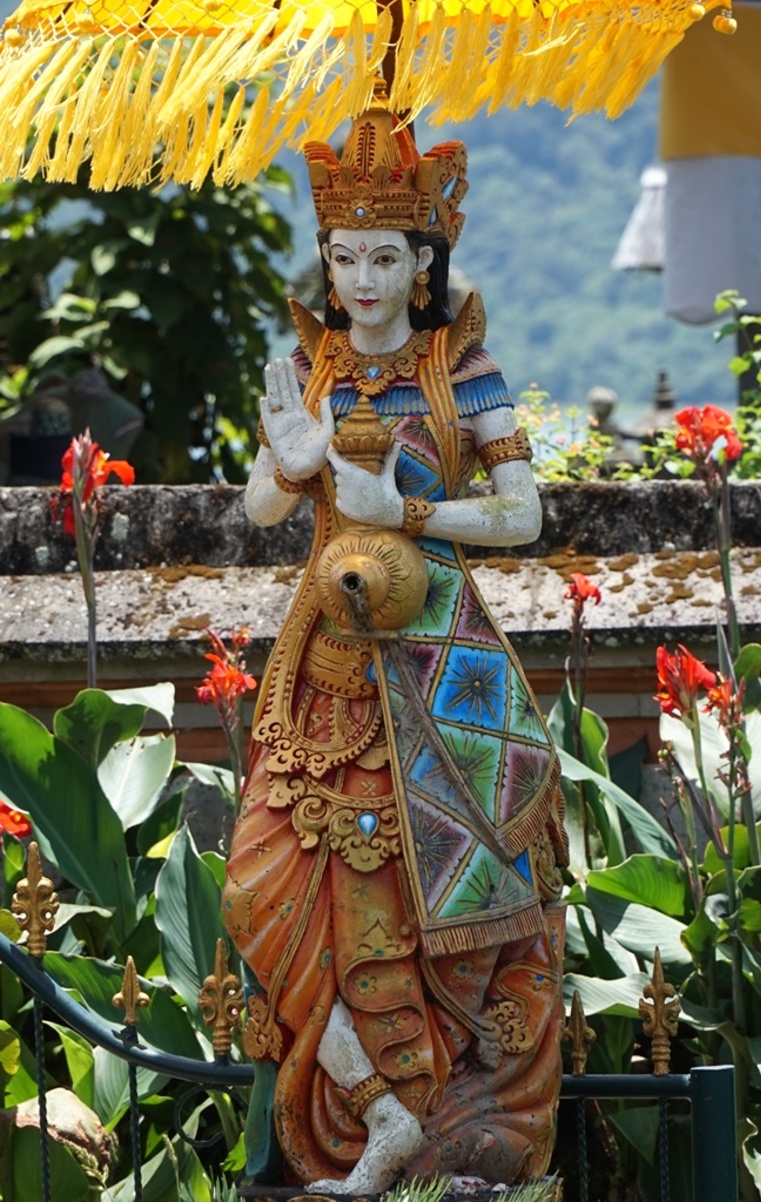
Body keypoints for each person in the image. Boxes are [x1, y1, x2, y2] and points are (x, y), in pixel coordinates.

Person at [223, 81, 568, 1195]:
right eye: (344, 259)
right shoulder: (313, 371)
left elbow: (522, 516)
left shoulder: (458, 371)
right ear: (326, 264)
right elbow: (261, 516)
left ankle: (424, 1118)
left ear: (419, 266)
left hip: (434, 671)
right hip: (319, 669)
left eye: (382, 259)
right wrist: (287, 456)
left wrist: (403, 513)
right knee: (261, 889)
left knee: (410, 914)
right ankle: (373, 1109)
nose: (361, 282)